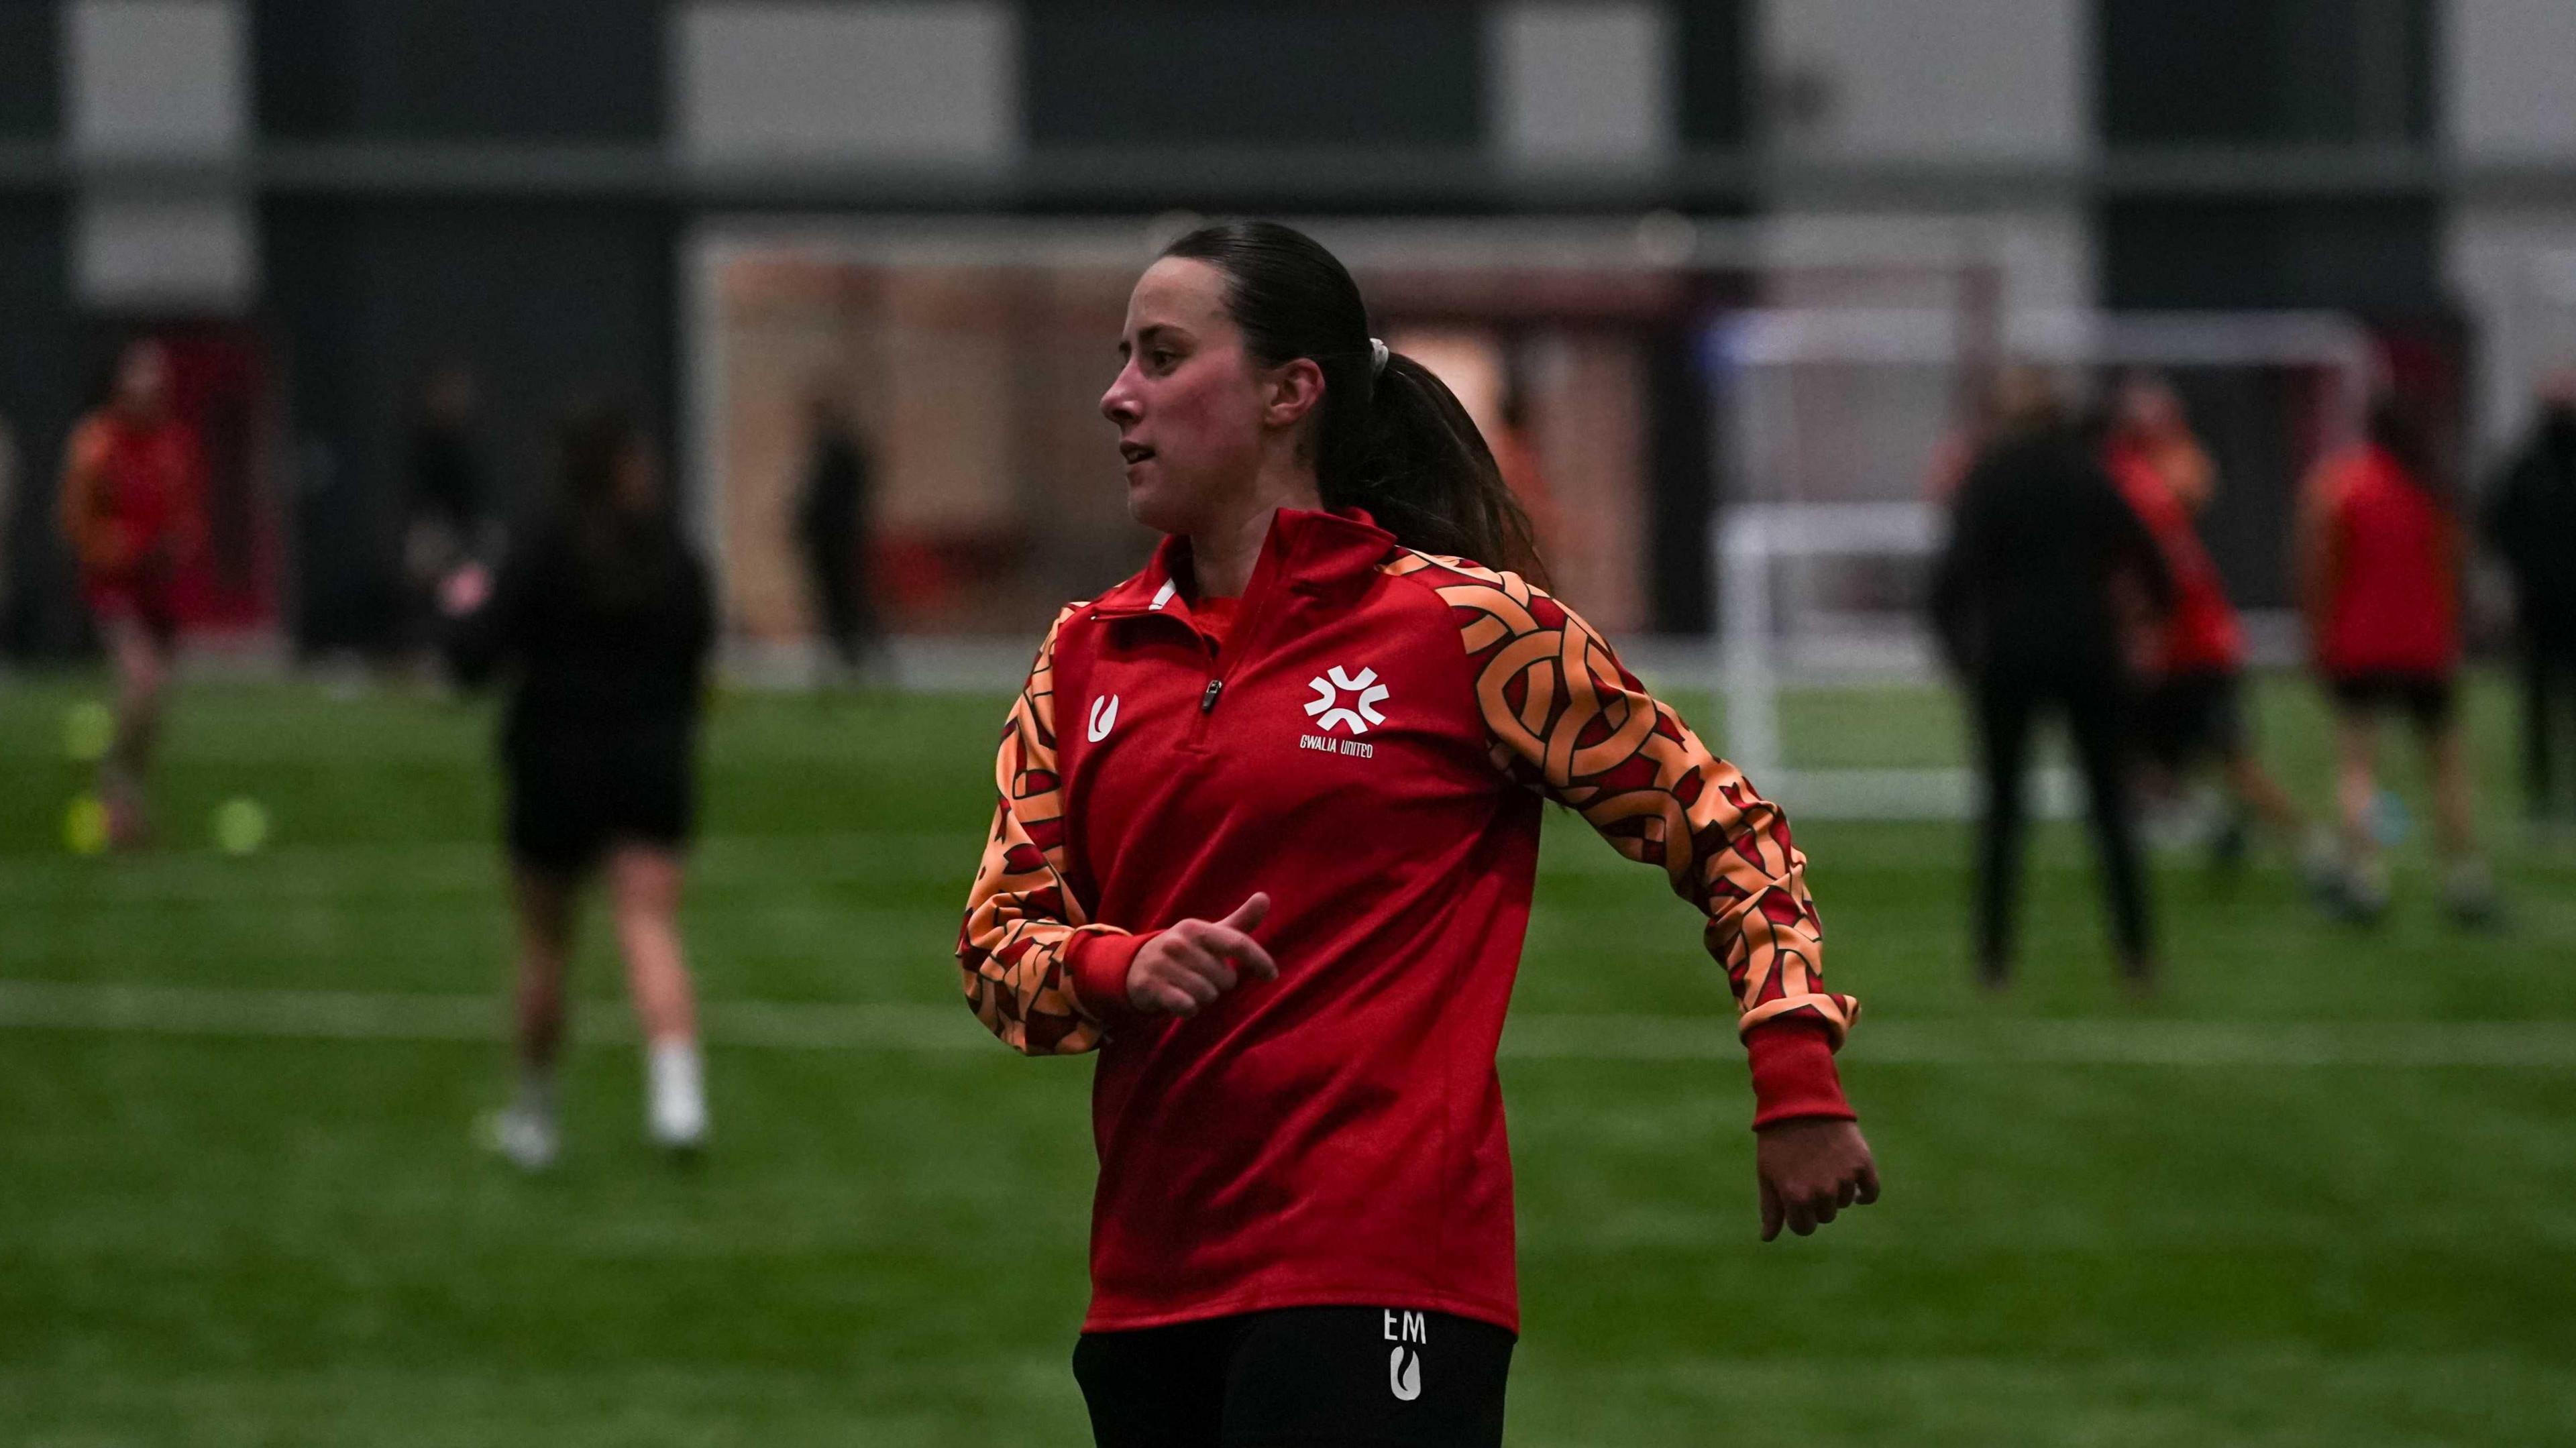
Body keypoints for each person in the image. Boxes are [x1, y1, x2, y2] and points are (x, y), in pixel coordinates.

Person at [957, 221, 1875, 1448]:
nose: (1119, 394)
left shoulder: (1469, 627)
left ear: (1291, 391)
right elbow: (997, 946)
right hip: (1146, 1297)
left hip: (1381, 1273)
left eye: (1163, 357)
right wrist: (1119, 963)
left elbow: (1728, 828)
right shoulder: (1083, 653)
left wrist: (1795, 1070)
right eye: (1124, 358)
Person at [443, 406, 714, 1170]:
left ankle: (533, 1117)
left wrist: (455, 607)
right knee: (650, 925)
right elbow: (698, 645)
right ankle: (678, 1098)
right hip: (649, 761)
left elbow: (473, 657)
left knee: (545, 946)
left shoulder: (540, 548)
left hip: (553, 763)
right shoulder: (670, 552)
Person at [1932, 367, 2172, 989]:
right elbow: (2150, 557)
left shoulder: (1988, 478)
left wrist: (1960, 656)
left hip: (2008, 659)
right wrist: (2147, 628)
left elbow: (1947, 582)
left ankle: (1993, 959)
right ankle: (2136, 957)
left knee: (2002, 814)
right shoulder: (2087, 472)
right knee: (2111, 812)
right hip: (2088, 654)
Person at [2102, 374, 2324, 877]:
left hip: (2193, 650)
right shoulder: (2138, 481)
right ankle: (2216, 823)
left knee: (2231, 762)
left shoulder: (2141, 489)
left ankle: (2310, 848)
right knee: (2139, 765)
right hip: (2180, 647)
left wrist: (2139, 634)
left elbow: (2192, 492)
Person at [2297, 398, 2493, 922]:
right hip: (2424, 643)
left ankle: (2365, 878)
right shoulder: (2432, 487)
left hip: (2359, 642)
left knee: (2358, 763)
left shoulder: (2341, 484)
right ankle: (2466, 879)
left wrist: (2317, 634)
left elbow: (2318, 566)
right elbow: (2454, 566)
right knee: (2446, 762)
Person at [57, 339, 205, 848]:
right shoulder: (96, 442)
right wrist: (122, 547)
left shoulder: (175, 444)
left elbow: (188, 515)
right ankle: (114, 794)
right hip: (114, 588)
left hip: (161, 591)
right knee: (141, 682)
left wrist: (178, 545)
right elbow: (75, 522)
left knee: (153, 703)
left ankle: (130, 792)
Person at [2483, 369, 2576, 836]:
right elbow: (2497, 526)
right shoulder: (2524, 466)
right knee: (2538, 703)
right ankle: (2541, 792)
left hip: (2556, 604)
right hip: (2538, 606)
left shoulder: (2528, 465)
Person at [402, 364, 489, 667]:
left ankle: (450, 651)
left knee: (458, 595)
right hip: (434, 527)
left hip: (459, 530)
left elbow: (472, 493)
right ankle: (422, 651)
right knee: (426, 593)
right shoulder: (426, 440)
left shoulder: (465, 441)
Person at [794, 391, 883, 685]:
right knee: (833, 603)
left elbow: (836, 499)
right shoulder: (825, 451)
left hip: (838, 540)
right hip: (826, 541)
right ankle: (846, 658)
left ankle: (860, 657)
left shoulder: (840, 452)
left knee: (847, 600)